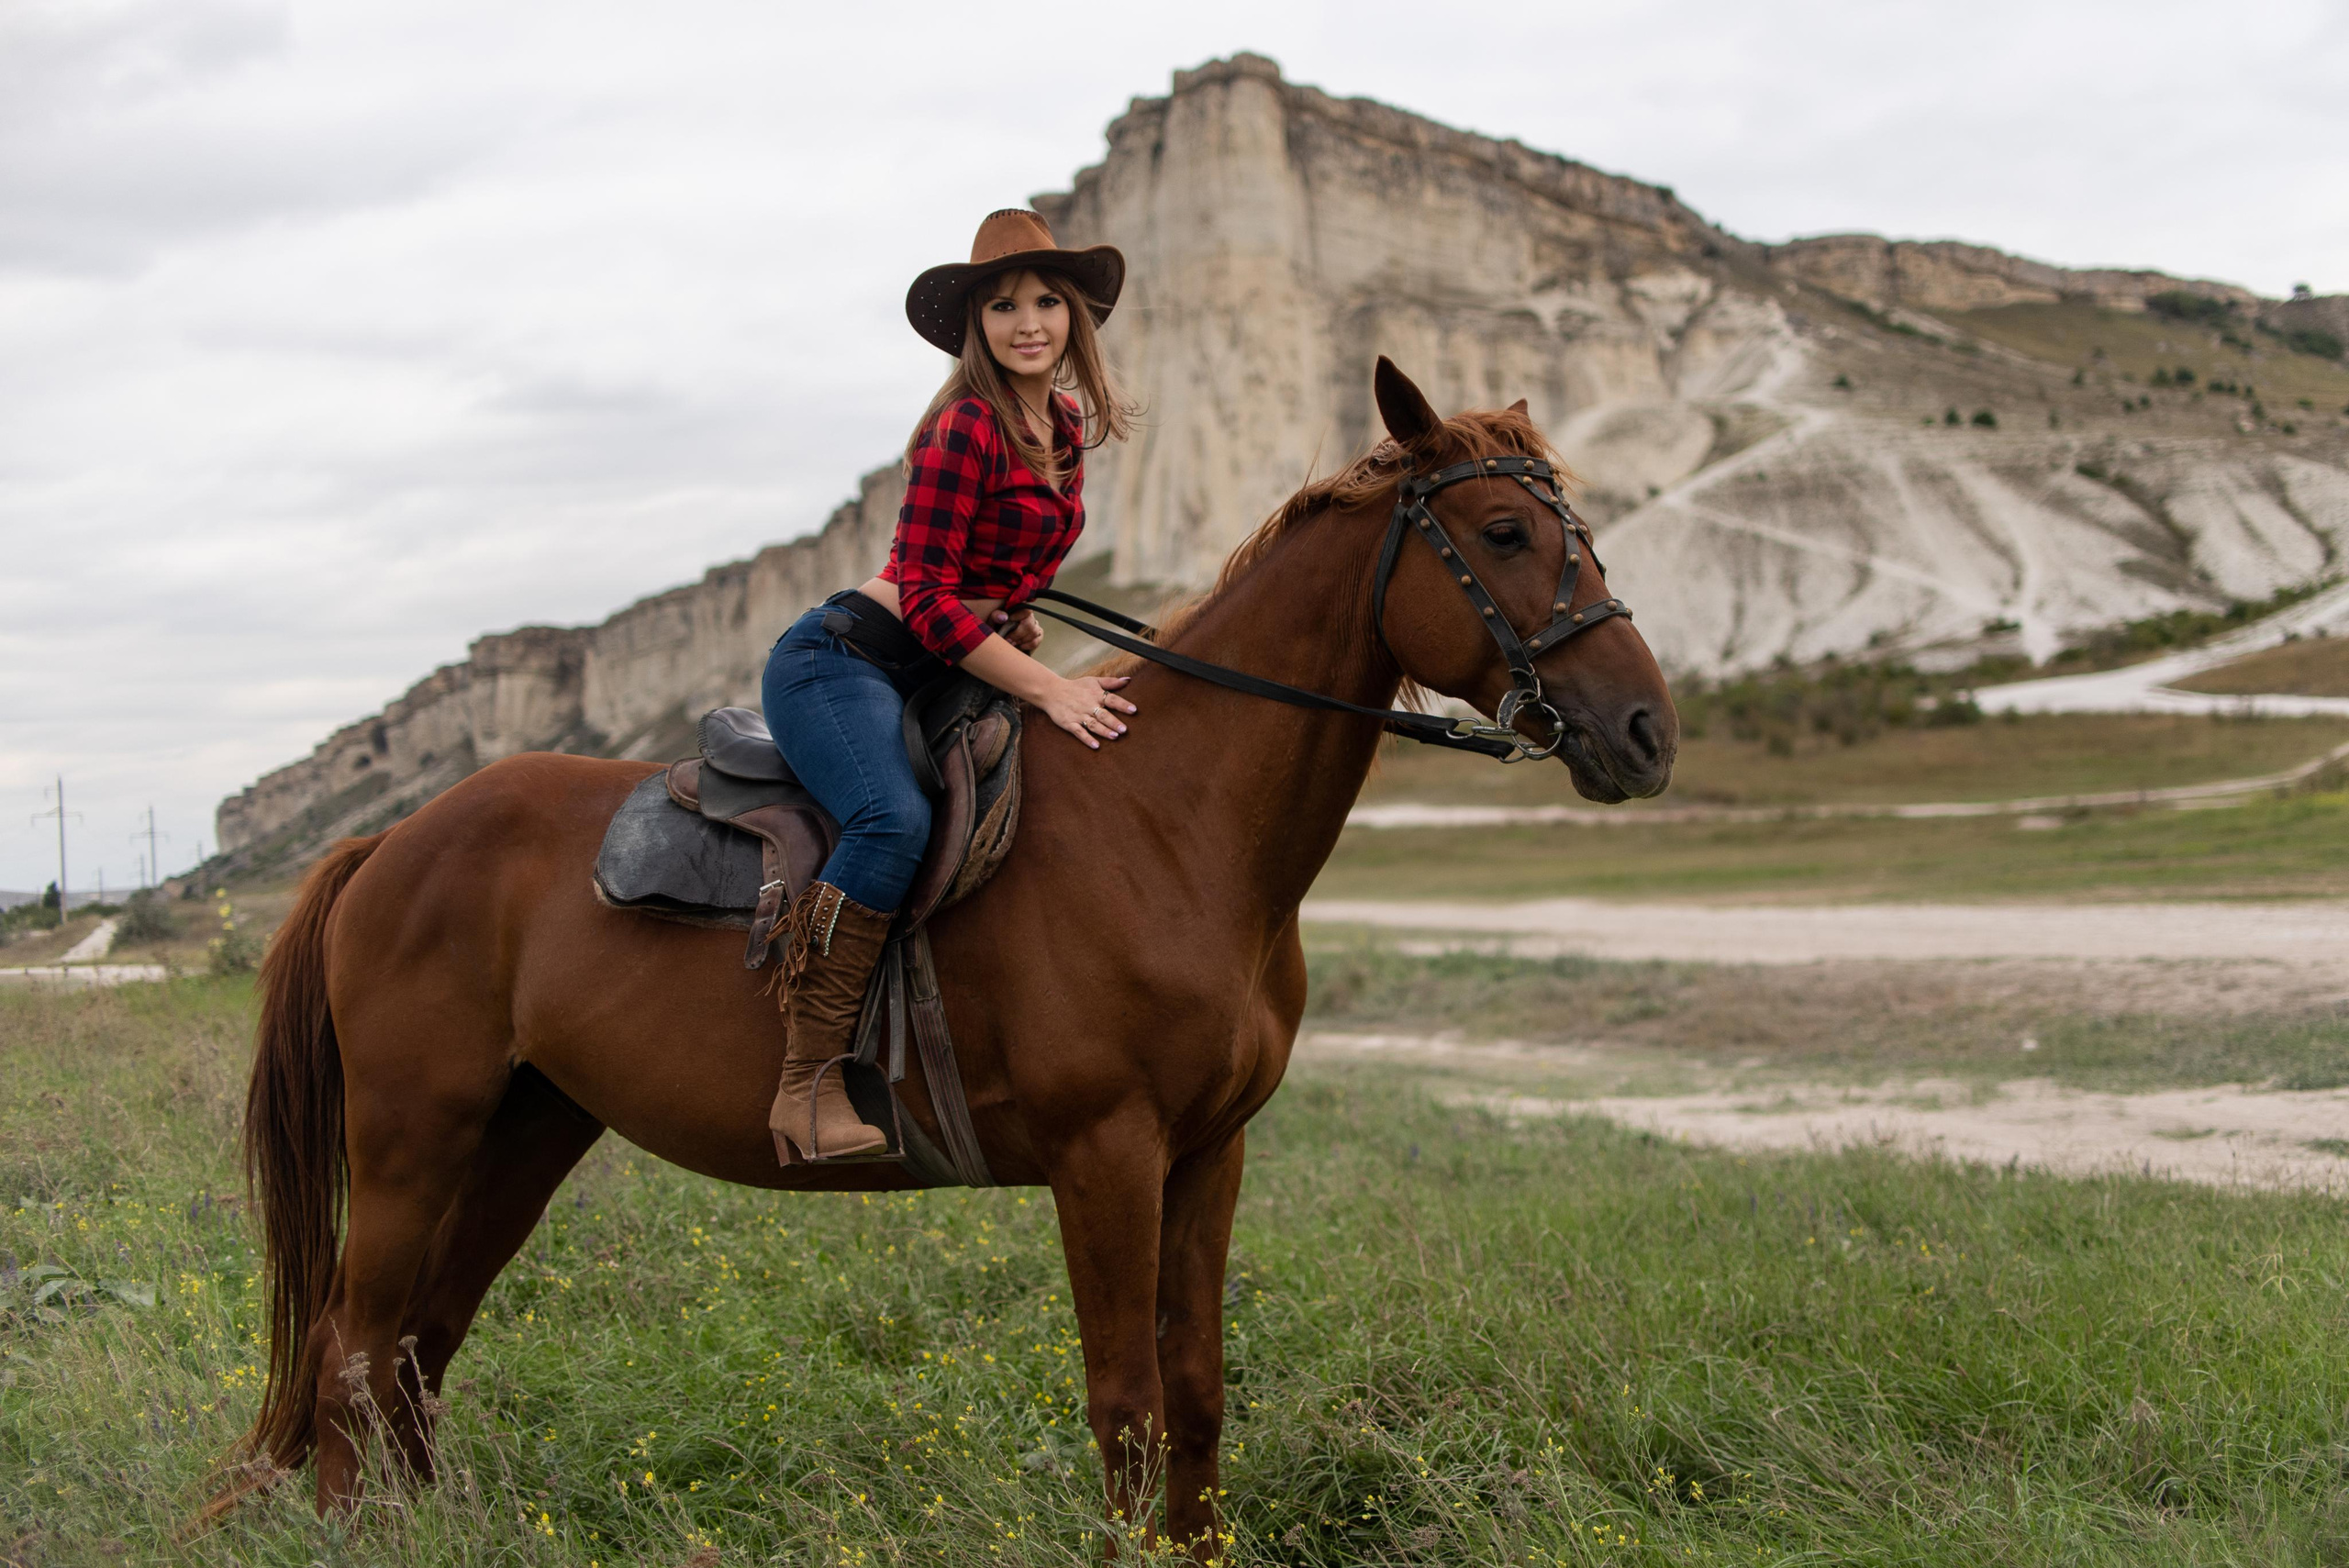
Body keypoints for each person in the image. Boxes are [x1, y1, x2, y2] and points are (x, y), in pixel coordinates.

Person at [760, 208, 1141, 1162]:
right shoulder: (964, 426)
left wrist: (1010, 614)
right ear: (975, 324)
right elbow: (925, 596)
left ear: (1074, 316)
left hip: (944, 662)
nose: (1028, 322)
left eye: (1046, 301)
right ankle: (806, 1083)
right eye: (1003, 305)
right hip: (847, 662)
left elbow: (983, 576)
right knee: (890, 820)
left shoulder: (1062, 427)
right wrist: (1047, 686)